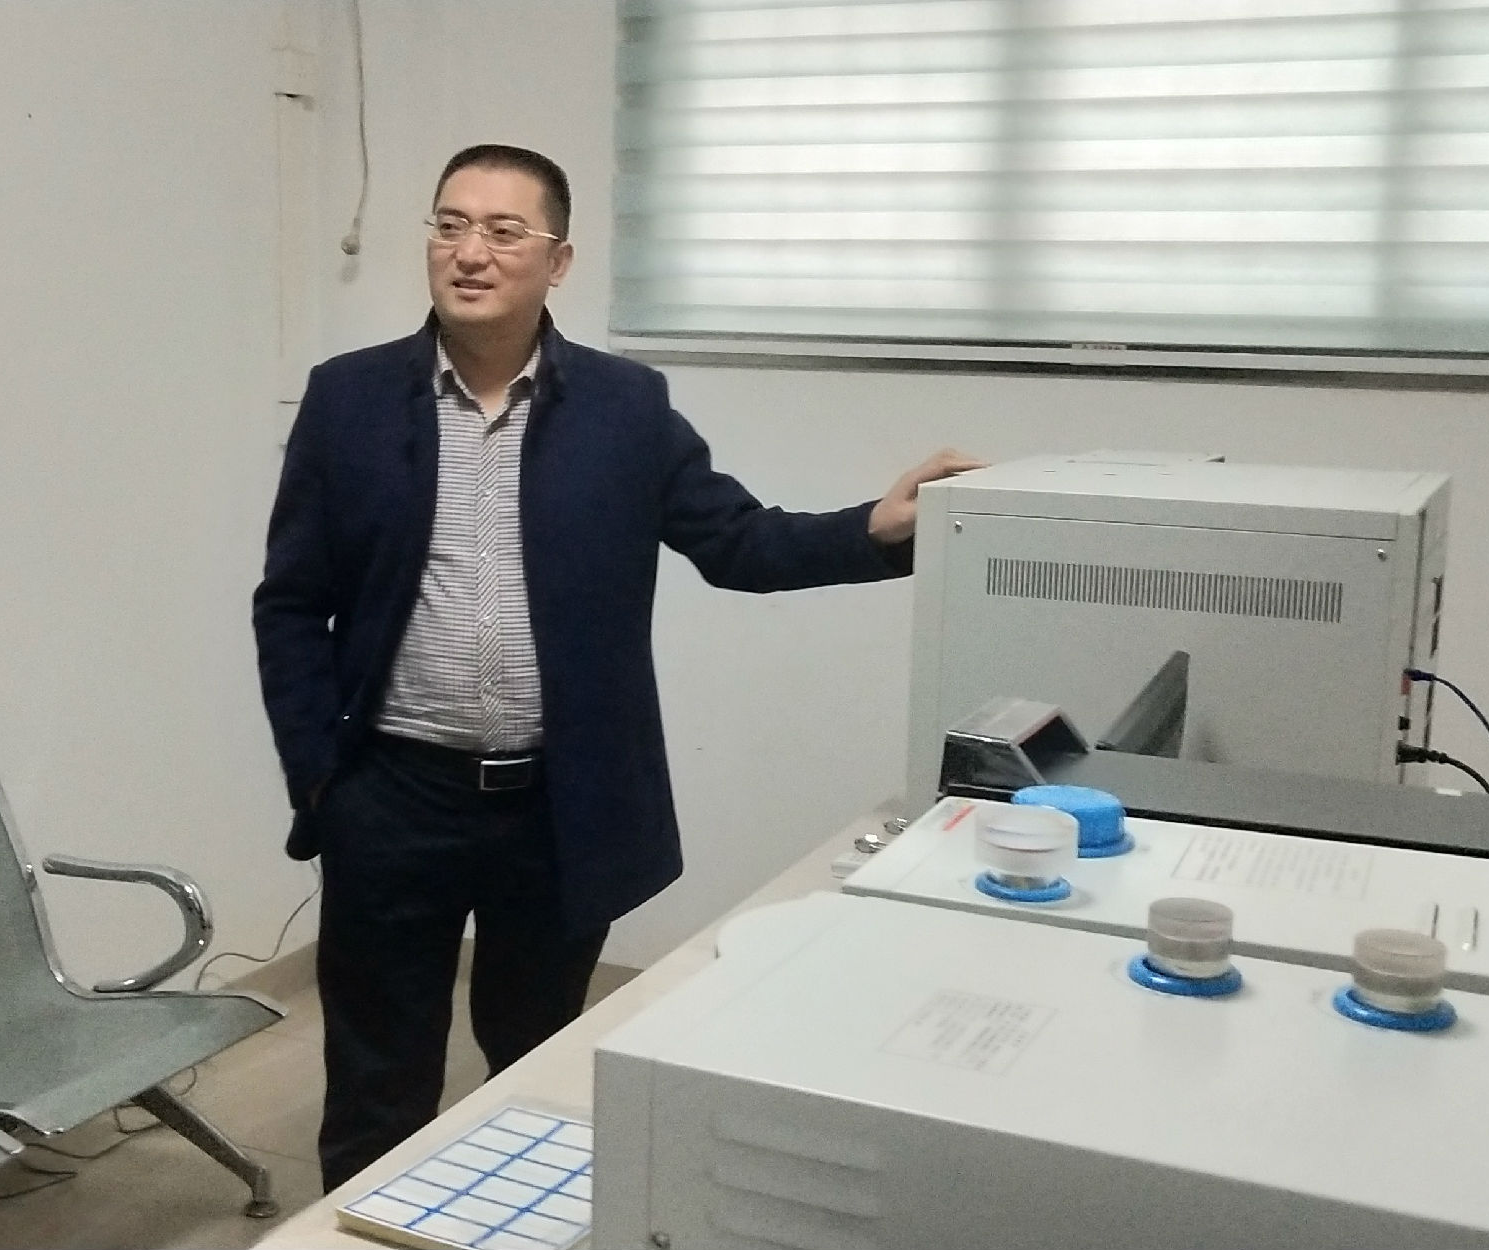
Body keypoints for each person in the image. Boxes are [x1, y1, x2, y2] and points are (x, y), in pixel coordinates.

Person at [253, 143, 983, 1190]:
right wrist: (323, 776)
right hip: (391, 799)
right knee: (376, 1083)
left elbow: (740, 543)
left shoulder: (624, 407)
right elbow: (290, 600)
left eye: (503, 231)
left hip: (558, 808)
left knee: (536, 1068)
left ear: (557, 262)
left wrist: (878, 525)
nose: (470, 252)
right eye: (449, 225)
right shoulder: (348, 399)